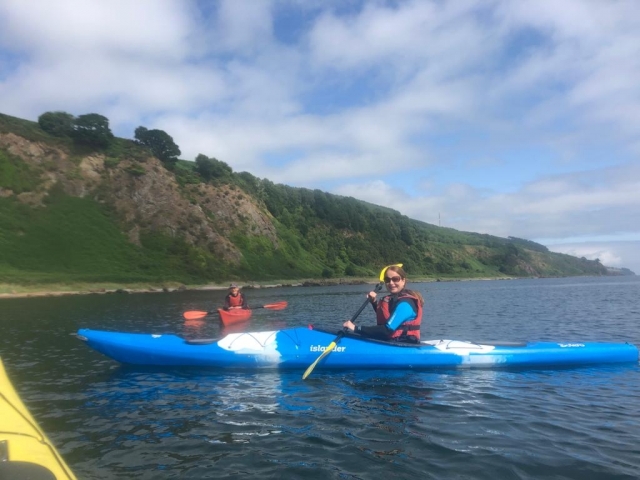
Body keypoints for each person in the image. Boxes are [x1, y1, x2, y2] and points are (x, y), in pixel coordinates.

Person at [343, 265, 423, 343]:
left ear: (403, 281)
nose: (391, 283)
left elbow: (387, 330)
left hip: (404, 344)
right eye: (387, 280)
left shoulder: (405, 304)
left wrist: (356, 328)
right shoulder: (394, 300)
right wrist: (374, 303)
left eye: (395, 279)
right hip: (392, 342)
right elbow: (387, 317)